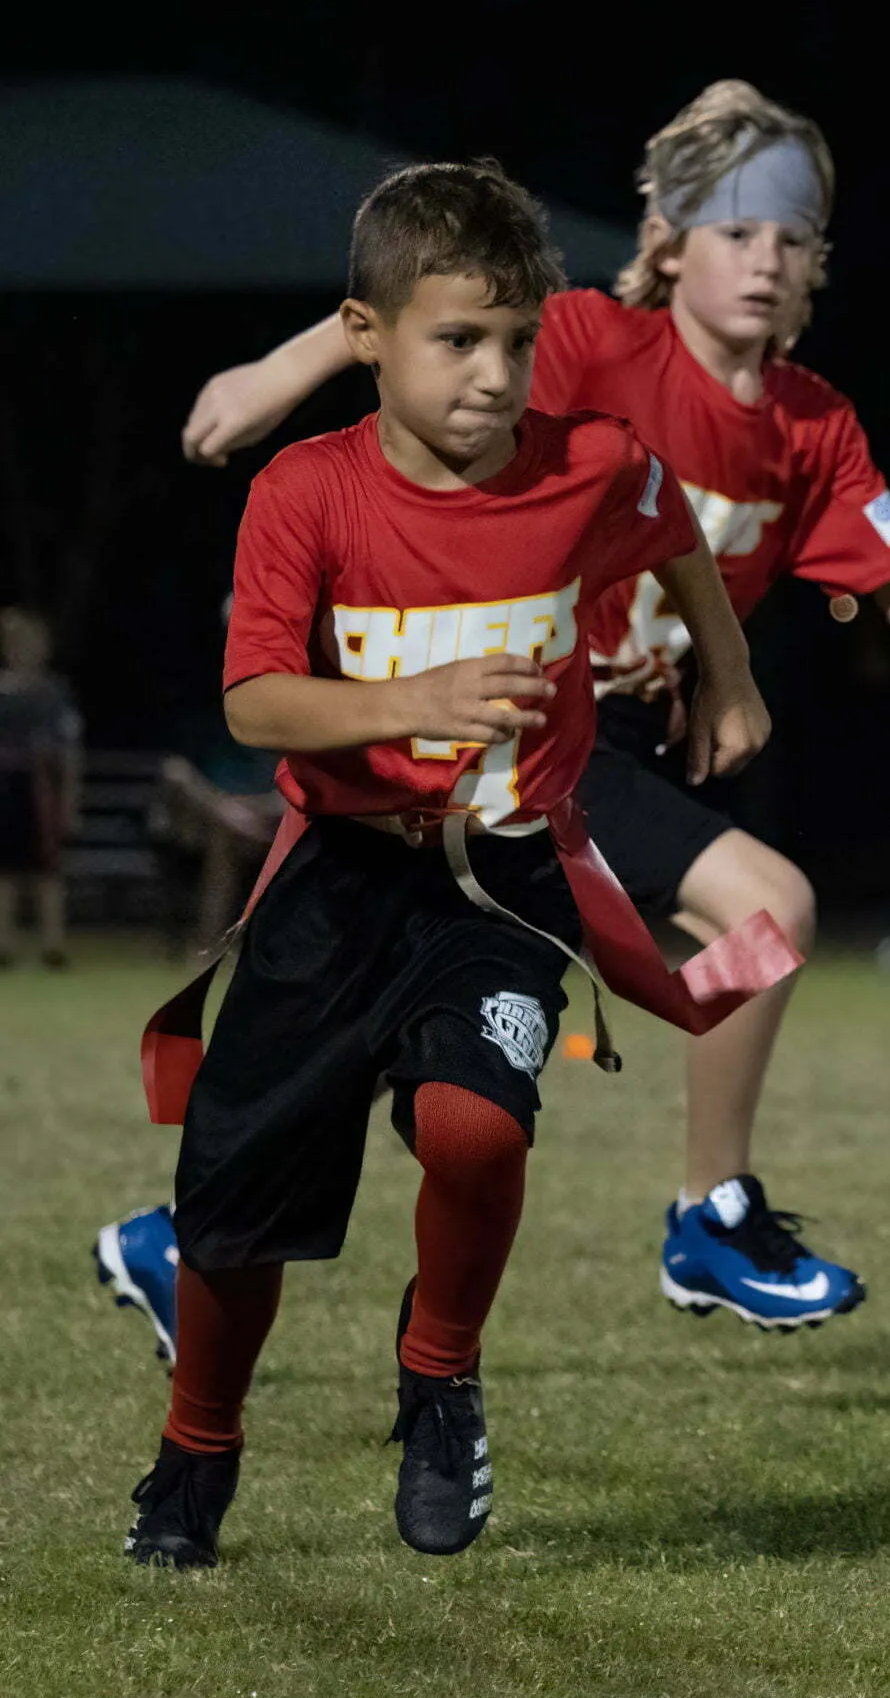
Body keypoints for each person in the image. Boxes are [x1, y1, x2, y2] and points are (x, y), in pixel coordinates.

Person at [165, 81, 890, 1330]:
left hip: (620, 747)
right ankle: (710, 1213)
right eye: (737, 231)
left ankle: (174, 1236)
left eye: (792, 238)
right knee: (770, 906)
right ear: (667, 240)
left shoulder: (812, 423)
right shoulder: (584, 342)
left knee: (391, 1033)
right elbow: (417, 310)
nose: (766, 261)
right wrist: (276, 374)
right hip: (533, 726)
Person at [124, 161, 774, 1569]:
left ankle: (439, 1378)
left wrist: (727, 677)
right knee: (234, 1213)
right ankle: (196, 1452)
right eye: (457, 339)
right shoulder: (309, 491)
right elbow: (253, 705)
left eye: (518, 341)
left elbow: (675, 532)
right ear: (366, 335)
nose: (495, 374)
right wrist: (405, 707)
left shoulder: (586, 462)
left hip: (507, 879)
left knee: (477, 1128)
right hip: (339, 879)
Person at [0, 606, 82, 971]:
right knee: (5, 872)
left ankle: (53, 946)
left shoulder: (53, 693)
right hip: (4, 788)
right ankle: (5, 944)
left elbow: (69, 752)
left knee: (48, 870)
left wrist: (69, 802)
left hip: (41, 789)